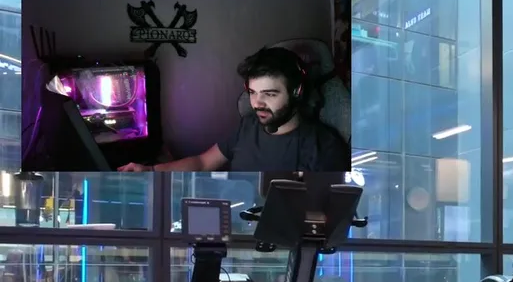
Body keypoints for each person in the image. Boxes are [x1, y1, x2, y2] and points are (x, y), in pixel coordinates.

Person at [118, 47, 349, 173]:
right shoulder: (248, 125)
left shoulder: (325, 149)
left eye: (269, 94)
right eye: (252, 92)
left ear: (297, 92)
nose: (257, 103)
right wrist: (150, 171)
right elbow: (202, 162)